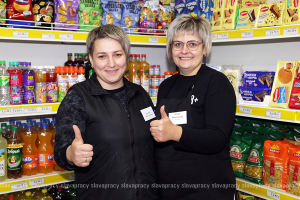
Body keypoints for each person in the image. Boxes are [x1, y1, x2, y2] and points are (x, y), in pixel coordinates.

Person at [54, 24, 158, 200]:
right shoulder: (78, 97)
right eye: (102, 56)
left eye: (117, 55)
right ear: (91, 60)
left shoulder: (140, 94)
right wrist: (71, 154)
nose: (111, 63)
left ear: (127, 56)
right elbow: (61, 153)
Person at [150, 15, 236, 199]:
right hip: (169, 188)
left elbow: (217, 138)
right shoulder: (166, 85)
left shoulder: (217, 83)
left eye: (192, 44)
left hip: (206, 188)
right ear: (170, 49)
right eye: (178, 44)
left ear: (204, 49)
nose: (184, 50)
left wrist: (175, 133)